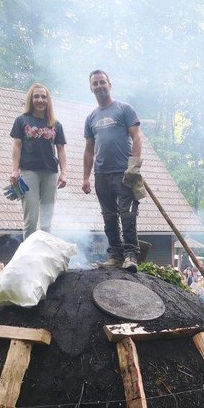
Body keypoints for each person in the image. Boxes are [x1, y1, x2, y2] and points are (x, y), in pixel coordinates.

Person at [82, 70, 143, 272]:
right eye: (95, 84)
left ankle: (131, 255)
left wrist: (134, 166)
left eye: (102, 82)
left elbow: (137, 137)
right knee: (108, 215)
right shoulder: (91, 117)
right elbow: (89, 150)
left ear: (110, 84)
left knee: (127, 214)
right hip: (101, 174)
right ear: (91, 88)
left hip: (123, 171)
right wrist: (85, 178)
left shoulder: (124, 109)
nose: (99, 86)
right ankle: (115, 255)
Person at [10, 83, 67, 238]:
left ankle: (44, 256)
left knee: (47, 221)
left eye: (44, 97)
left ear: (48, 100)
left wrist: (64, 173)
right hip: (29, 173)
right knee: (31, 218)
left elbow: (61, 149)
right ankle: (28, 257)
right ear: (31, 99)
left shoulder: (56, 124)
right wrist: (15, 170)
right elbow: (16, 146)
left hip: (50, 173)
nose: (40, 100)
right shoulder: (22, 121)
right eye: (36, 96)